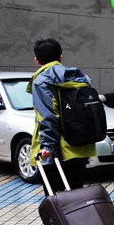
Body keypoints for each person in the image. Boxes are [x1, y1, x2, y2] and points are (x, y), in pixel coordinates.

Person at [27, 38, 96, 195]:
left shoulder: (41, 81)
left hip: (57, 150)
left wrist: (47, 146)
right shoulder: (78, 77)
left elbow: (48, 115)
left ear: (37, 60)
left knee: (56, 198)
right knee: (77, 196)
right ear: (60, 57)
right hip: (79, 145)